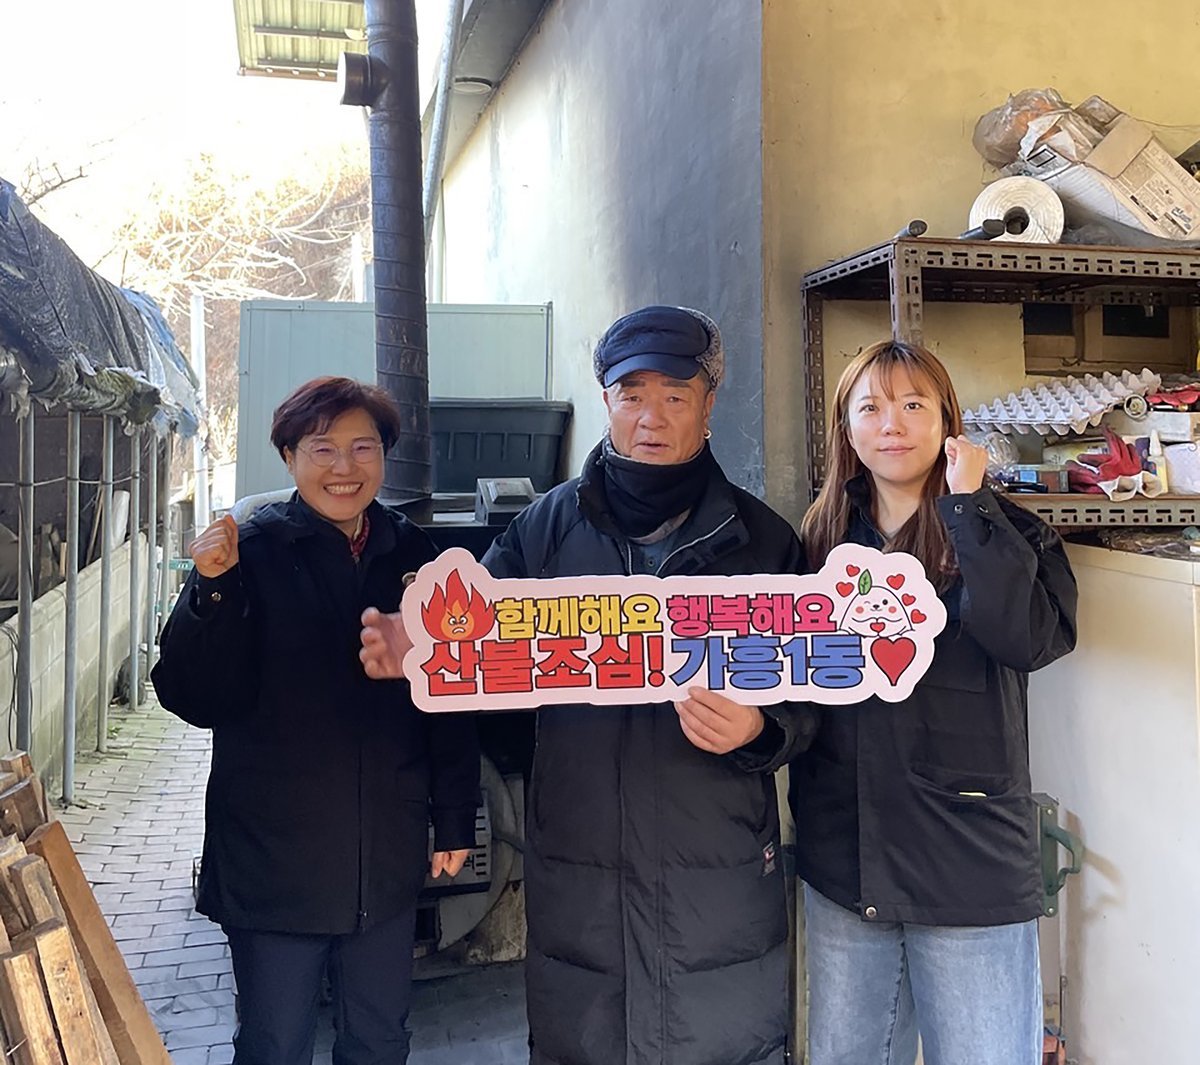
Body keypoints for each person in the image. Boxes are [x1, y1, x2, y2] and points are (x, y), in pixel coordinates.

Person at [361, 305, 819, 1065]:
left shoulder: (764, 541)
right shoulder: (543, 530)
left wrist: (760, 728)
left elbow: (810, 700)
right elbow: (477, 655)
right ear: (606, 399)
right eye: (632, 395)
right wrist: (424, 650)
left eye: (675, 395)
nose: (651, 417)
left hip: (718, 870)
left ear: (709, 404)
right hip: (581, 867)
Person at [152, 376, 480, 1065]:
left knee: (380, 1041)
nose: (344, 468)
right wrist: (212, 590)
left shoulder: (416, 559)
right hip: (273, 863)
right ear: (288, 456)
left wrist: (454, 820)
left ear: (384, 456)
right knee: (275, 1044)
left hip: (384, 859)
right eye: (322, 448)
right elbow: (192, 696)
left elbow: (450, 701)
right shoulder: (248, 551)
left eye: (364, 447)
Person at [790, 339, 1078, 1065]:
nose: (892, 424)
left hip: (967, 864)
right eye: (871, 407)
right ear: (846, 428)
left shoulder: (1009, 531)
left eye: (914, 404)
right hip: (847, 864)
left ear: (947, 419)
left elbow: (1028, 639)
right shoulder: (818, 542)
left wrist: (968, 507)